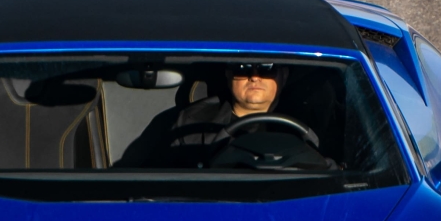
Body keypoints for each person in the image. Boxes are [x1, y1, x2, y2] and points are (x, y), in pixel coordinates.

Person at [120, 60, 324, 167]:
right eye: (243, 69)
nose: (254, 77)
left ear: (283, 75)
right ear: (228, 75)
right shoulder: (191, 124)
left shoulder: (310, 122)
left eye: (266, 69)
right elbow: (164, 181)